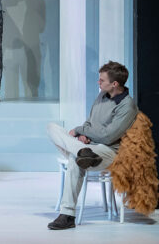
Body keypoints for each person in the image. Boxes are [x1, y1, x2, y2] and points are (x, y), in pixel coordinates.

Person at [47, 61, 137, 230]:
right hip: (89, 146)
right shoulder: (102, 95)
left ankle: (67, 215)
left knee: (75, 160)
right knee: (52, 128)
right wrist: (83, 136)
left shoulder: (127, 106)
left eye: (102, 80)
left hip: (108, 151)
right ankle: (82, 151)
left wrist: (80, 130)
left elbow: (108, 136)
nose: (98, 82)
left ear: (114, 84)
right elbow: (89, 122)